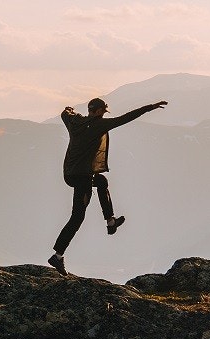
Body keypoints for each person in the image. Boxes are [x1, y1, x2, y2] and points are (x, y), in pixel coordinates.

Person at [48, 96, 168, 274]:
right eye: (102, 111)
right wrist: (150, 107)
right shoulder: (99, 125)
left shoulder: (74, 122)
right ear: (96, 111)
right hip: (82, 177)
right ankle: (57, 256)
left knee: (102, 181)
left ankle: (111, 221)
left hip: (70, 173)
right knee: (77, 217)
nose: (103, 115)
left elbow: (64, 113)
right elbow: (126, 118)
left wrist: (69, 110)